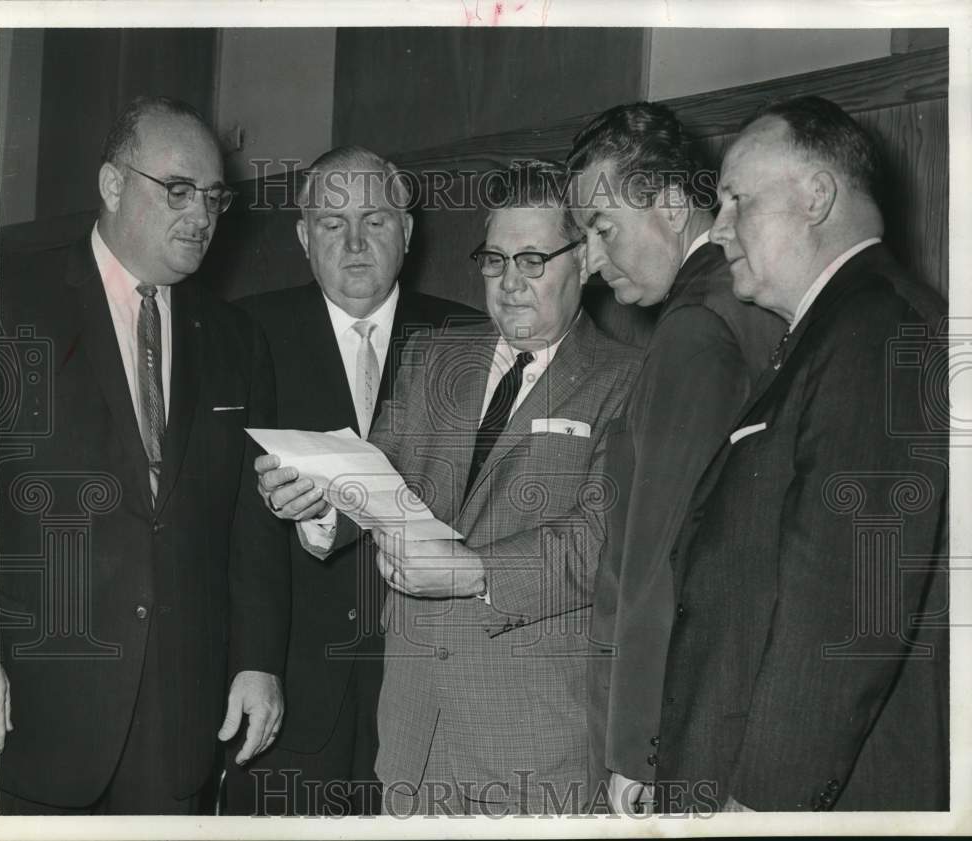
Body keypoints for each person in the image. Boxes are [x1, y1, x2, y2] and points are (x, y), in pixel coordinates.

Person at [261, 160, 642, 814]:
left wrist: (473, 572)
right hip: (413, 734)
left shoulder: (629, 380)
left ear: (586, 258)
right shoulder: (435, 355)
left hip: (534, 748)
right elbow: (378, 476)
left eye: (532, 259)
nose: (510, 284)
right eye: (494, 260)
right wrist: (321, 501)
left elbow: (601, 543)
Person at [0, 96, 288, 815]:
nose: (202, 216)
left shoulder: (237, 340)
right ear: (112, 184)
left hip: (180, 721)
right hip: (33, 709)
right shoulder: (8, 300)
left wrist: (257, 659)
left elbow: (251, 521)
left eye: (214, 197)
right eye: (178, 190)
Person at [655, 95, 948, 811]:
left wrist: (760, 805)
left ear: (816, 196)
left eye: (736, 201)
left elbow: (850, 604)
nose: (719, 231)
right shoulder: (836, 327)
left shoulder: (877, 328)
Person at [228, 146, 482, 815]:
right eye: (332, 222)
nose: (355, 241)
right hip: (292, 687)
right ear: (304, 237)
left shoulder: (471, 337)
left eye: (374, 218)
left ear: (407, 229)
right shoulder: (246, 332)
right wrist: (251, 662)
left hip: (433, 690)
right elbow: (234, 527)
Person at [565, 102, 785, 813]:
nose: (592, 264)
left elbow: (657, 558)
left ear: (666, 203)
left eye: (602, 230)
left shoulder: (695, 328)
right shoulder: (747, 301)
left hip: (687, 730)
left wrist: (636, 749)